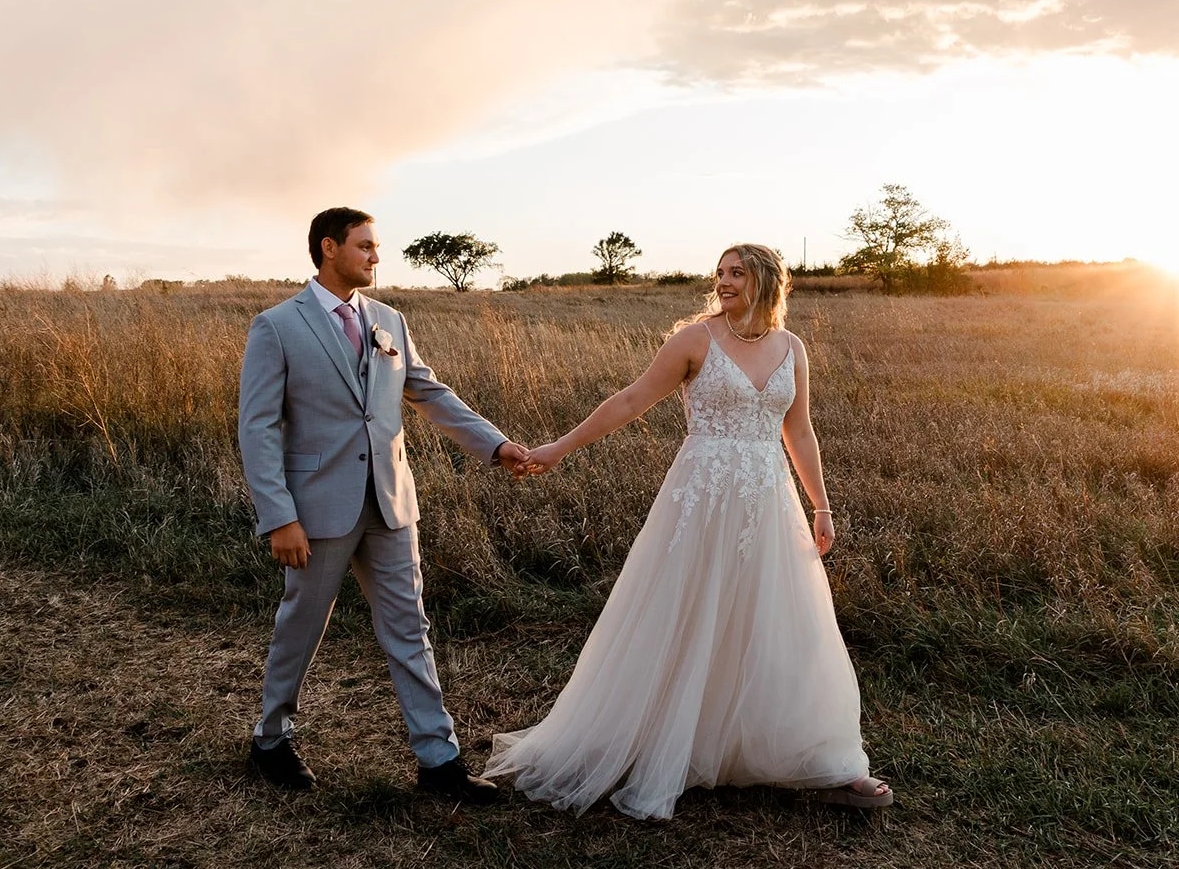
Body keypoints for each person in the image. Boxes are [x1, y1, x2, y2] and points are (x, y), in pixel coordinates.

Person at [486, 243, 891, 819]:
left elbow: (798, 431)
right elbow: (631, 400)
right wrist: (559, 448)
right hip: (701, 499)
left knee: (777, 618)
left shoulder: (792, 347)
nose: (723, 281)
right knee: (686, 608)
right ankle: (658, 741)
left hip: (768, 502)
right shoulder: (695, 340)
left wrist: (821, 505)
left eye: (737, 273)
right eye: (720, 272)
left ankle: (813, 757)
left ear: (767, 281)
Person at [238, 206, 531, 800]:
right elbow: (258, 427)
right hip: (316, 509)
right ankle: (270, 740)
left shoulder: (389, 320)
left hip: (392, 502)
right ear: (329, 248)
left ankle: (438, 761)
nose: (376, 256)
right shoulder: (277, 326)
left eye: (375, 246)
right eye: (365, 246)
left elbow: (428, 392)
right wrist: (280, 516)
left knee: (409, 626)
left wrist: (495, 445)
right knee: (302, 626)